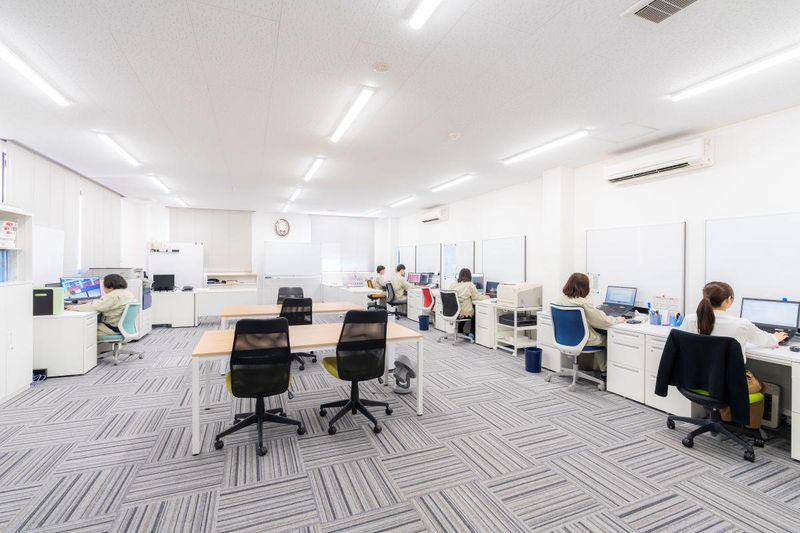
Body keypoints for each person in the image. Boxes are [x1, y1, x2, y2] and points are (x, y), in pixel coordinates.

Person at [680, 281, 786, 359]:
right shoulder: (742, 324)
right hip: (728, 380)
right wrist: (776, 337)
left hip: (694, 377)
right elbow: (763, 340)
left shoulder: (689, 319)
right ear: (729, 299)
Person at [557, 272, 625, 376]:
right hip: (583, 340)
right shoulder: (583, 303)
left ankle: (605, 371)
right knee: (607, 339)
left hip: (565, 339)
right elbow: (602, 321)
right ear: (584, 287)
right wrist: (618, 319)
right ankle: (608, 373)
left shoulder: (561, 299)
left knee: (598, 336)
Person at [67, 274, 135, 336]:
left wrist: (74, 307)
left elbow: (94, 307)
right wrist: (92, 302)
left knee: (81, 329)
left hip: (111, 328)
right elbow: (103, 303)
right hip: (121, 327)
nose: (103, 287)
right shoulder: (127, 293)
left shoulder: (113, 296)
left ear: (110, 286)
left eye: (103, 285)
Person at [449, 268, 489, 337]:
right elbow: (477, 297)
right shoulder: (470, 285)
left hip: (453, 311)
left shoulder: (453, 284)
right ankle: (472, 333)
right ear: (470, 276)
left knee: (465, 308)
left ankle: (460, 330)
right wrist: (487, 297)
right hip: (463, 312)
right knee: (475, 311)